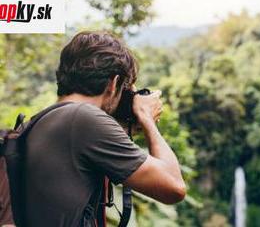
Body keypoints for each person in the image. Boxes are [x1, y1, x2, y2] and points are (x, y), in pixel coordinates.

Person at [24, 31, 186, 226]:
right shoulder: (85, 120)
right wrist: (146, 118)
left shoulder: (42, 120)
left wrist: (123, 126)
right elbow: (174, 188)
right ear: (114, 83)